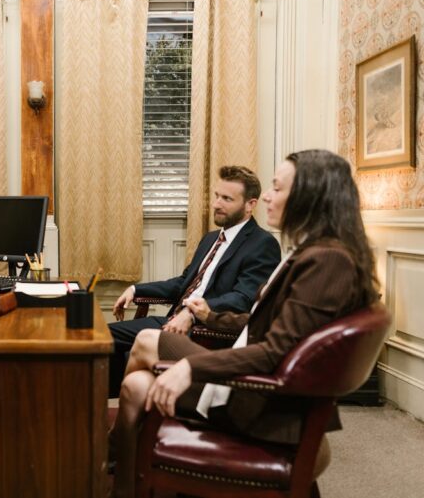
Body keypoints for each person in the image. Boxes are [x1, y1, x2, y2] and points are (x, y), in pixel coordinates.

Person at [109, 150, 380, 498]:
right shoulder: (316, 252)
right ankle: (125, 480)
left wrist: (191, 367)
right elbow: (269, 325)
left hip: (259, 403)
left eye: (277, 188)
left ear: (309, 198)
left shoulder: (327, 262)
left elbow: (274, 352)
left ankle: (113, 461)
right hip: (257, 388)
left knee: (147, 342)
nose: (267, 195)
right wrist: (209, 316)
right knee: (135, 386)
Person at [108, 166, 281, 397]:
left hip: (202, 331)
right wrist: (135, 288)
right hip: (171, 320)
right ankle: (96, 409)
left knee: (117, 346)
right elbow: (182, 284)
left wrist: (191, 312)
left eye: (227, 199)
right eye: (217, 196)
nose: (216, 204)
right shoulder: (211, 238)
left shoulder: (262, 244)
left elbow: (242, 298)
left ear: (250, 204)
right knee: (102, 338)